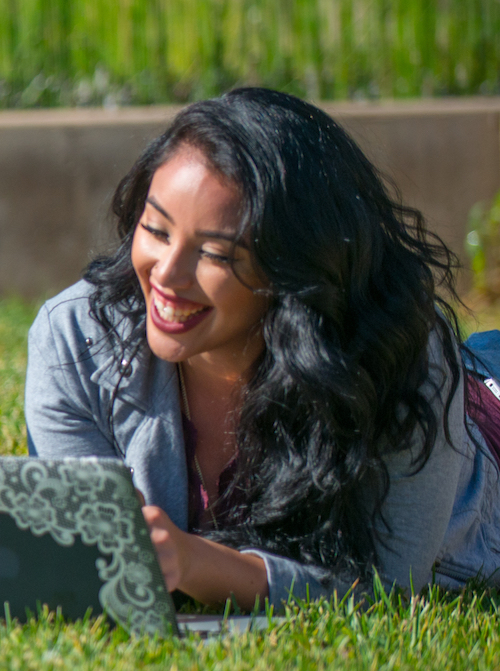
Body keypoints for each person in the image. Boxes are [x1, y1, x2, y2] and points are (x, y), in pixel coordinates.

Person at [25, 88, 500, 611]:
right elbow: (86, 566)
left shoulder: (402, 361)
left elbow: (388, 586)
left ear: (294, 270)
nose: (166, 275)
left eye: (214, 253)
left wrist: (196, 563)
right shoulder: (75, 342)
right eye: (156, 229)